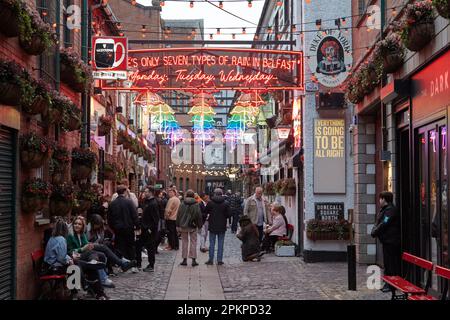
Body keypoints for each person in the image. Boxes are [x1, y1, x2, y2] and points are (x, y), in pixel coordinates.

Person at [371, 191, 401, 293]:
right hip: (386, 241)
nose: (379, 200)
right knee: (387, 264)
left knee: (390, 264)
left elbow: (384, 223)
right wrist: (375, 230)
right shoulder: (385, 209)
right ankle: (387, 283)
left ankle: (391, 284)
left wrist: (375, 231)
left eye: (380, 198)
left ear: (384, 199)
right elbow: (379, 222)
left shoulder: (391, 210)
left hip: (391, 242)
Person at [108, 185, 140, 272]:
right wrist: (137, 226)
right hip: (128, 227)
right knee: (130, 246)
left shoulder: (112, 204)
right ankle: (133, 265)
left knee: (120, 247)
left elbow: (109, 218)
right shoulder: (129, 202)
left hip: (118, 229)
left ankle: (122, 265)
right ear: (125, 192)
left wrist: (113, 228)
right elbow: (134, 215)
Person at [176, 189, 203, 267]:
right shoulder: (196, 204)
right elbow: (199, 216)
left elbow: (178, 215)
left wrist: (177, 225)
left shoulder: (182, 203)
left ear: (186, 195)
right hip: (193, 225)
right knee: (193, 242)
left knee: (184, 242)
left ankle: (184, 260)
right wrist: (200, 225)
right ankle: (193, 259)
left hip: (183, 225)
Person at [205, 188, 231, 265]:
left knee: (212, 243)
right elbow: (229, 214)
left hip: (212, 225)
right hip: (222, 225)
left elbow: (205, 212)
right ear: (222, 194)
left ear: (215, 193)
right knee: (220, 243)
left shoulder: (210, 203)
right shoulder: (226, 203)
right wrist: (224, 216)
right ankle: (219, 260)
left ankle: (210, 260)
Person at [140, 186, 160, 272]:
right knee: (148, 247)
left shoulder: (153, 203)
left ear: (151, 192)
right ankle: (149, 263)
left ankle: (151, 265)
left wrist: (150, 229)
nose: (145, 193)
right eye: (145, 191)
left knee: (151, 247)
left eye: (146, 192)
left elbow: (156, 219)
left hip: (150, 230)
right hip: (145, 228)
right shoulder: (146, 201)